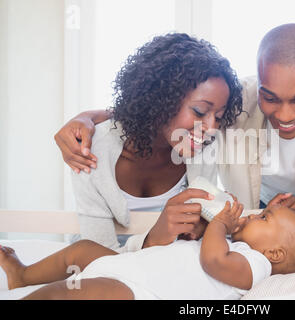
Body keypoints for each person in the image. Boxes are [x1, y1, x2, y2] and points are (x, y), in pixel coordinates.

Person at [54, 24, 295, 242]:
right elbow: (159, 107)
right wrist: (87, 118)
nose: (285, 115)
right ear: (258, 80)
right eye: (271, 97)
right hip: (251, 213)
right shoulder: (236, 103)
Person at [61, 32, 244, 252]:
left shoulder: (202, 149)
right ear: (161, 100)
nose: (211, 128)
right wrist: (151, 241)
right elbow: (95, 261)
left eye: (219, 117)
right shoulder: (90, 151)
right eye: (200, 111)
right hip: (102, 270)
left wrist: (206, 225)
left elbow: (195, 239)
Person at [0, 202, 295, 300]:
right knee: (81, 249)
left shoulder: (255, 263)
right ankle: (23, 274)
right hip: (129, 265)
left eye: (264, 218)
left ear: (275, 254)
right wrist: (203, 230)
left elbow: (212, 262)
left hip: (139, 290)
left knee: (68, 294)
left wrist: (220, 226)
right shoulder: (233, 245)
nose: (253, 214)